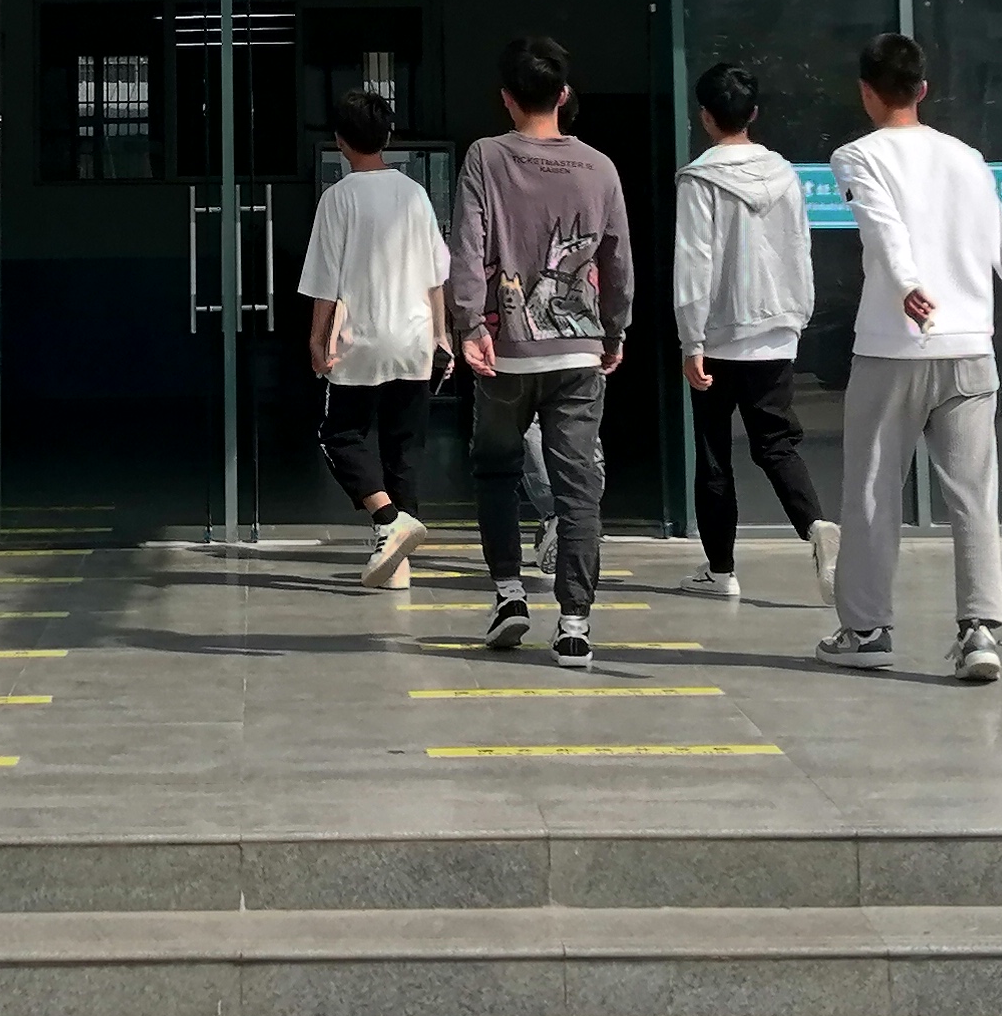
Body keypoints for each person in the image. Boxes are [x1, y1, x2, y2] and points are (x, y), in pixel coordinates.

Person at [817, 30, 1002, 680]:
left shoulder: (856, 156)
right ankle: (981, 631)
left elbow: (881, 225)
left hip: (891, 348)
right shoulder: (968, 158)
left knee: (872, 493)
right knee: (974, 496)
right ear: (923, 89)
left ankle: (867, 630)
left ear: (866, 92)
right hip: (970, 351)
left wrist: (907, 285)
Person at [447, 32, 634, 669]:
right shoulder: (600, 168)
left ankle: (508, 594)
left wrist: (469, 324)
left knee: (497, 470)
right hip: (579, 352)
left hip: (506, 349)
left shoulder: (485, 157)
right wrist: (615, 330)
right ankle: (575, 625)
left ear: (505, 97)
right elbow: (618, 261)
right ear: (563, 94)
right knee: (578, 489)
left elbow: (467, 246)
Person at [668, 60, 837, 606]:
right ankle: (816, 526)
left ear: (704, 116)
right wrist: (797, 317)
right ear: (754, 113)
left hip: (719, 335)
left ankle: (721, 571)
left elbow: (694, 262)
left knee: (714, 454)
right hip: (776, 330)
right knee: (776, 445)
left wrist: (691, 340)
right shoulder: (786, 174)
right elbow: (800, 248)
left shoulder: (700, 179)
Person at [297, 87, 451, 589]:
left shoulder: (338, 198)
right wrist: (441, 335)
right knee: (403, 450)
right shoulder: (415, 194)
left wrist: (317, 340)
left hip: (360, 340)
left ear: (340, 140)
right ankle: (397, 566)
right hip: (414, 338)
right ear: (389, 136)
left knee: (338, 435)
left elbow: (325, 281)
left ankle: (387, 521)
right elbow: (436, 275)